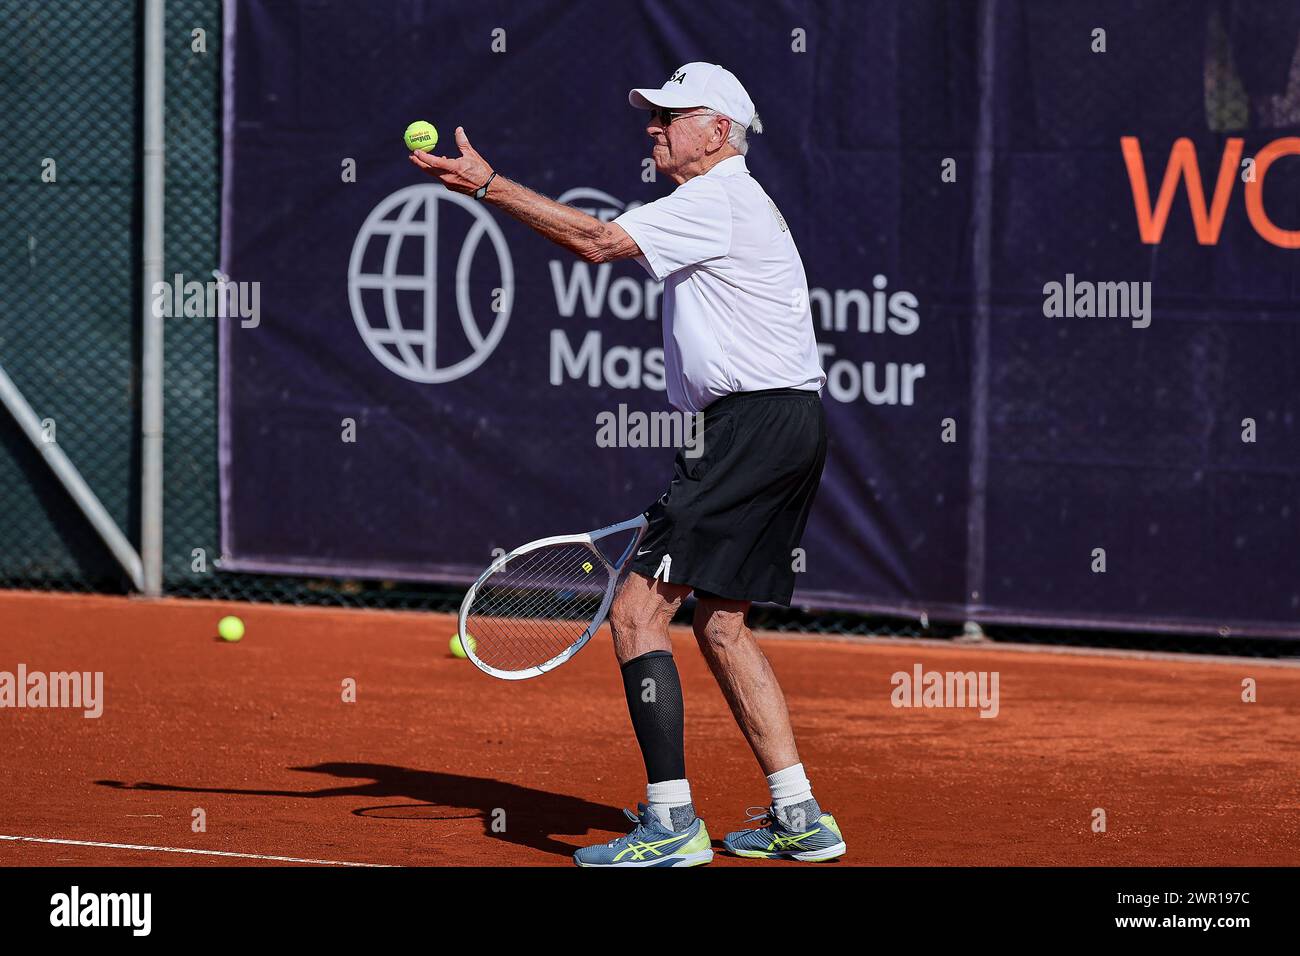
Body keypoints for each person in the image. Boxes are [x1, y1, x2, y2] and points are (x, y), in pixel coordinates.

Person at [412, 62, 845, 867]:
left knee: (638, 614)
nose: (654, 127)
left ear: (719, 130)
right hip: (786, 422)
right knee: (720, 622)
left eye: (672, 115)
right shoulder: (733, 200)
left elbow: (595, 241)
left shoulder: (714, 197)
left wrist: (487, 185)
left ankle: (672, 824)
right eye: (653, 115)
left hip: (750, 424)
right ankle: (801, 815)